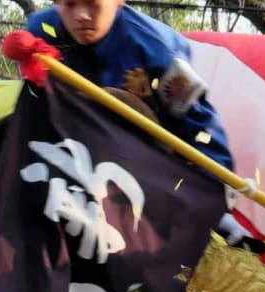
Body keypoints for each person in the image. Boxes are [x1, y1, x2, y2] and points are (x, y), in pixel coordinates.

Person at [24, 0, 234, 172]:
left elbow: (201, 126)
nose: (81, 15)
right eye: (70, 4)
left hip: (151, 164)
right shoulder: (38, 34)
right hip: (68, 152)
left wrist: (211, 186)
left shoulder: (156, 48)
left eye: (92, 3)